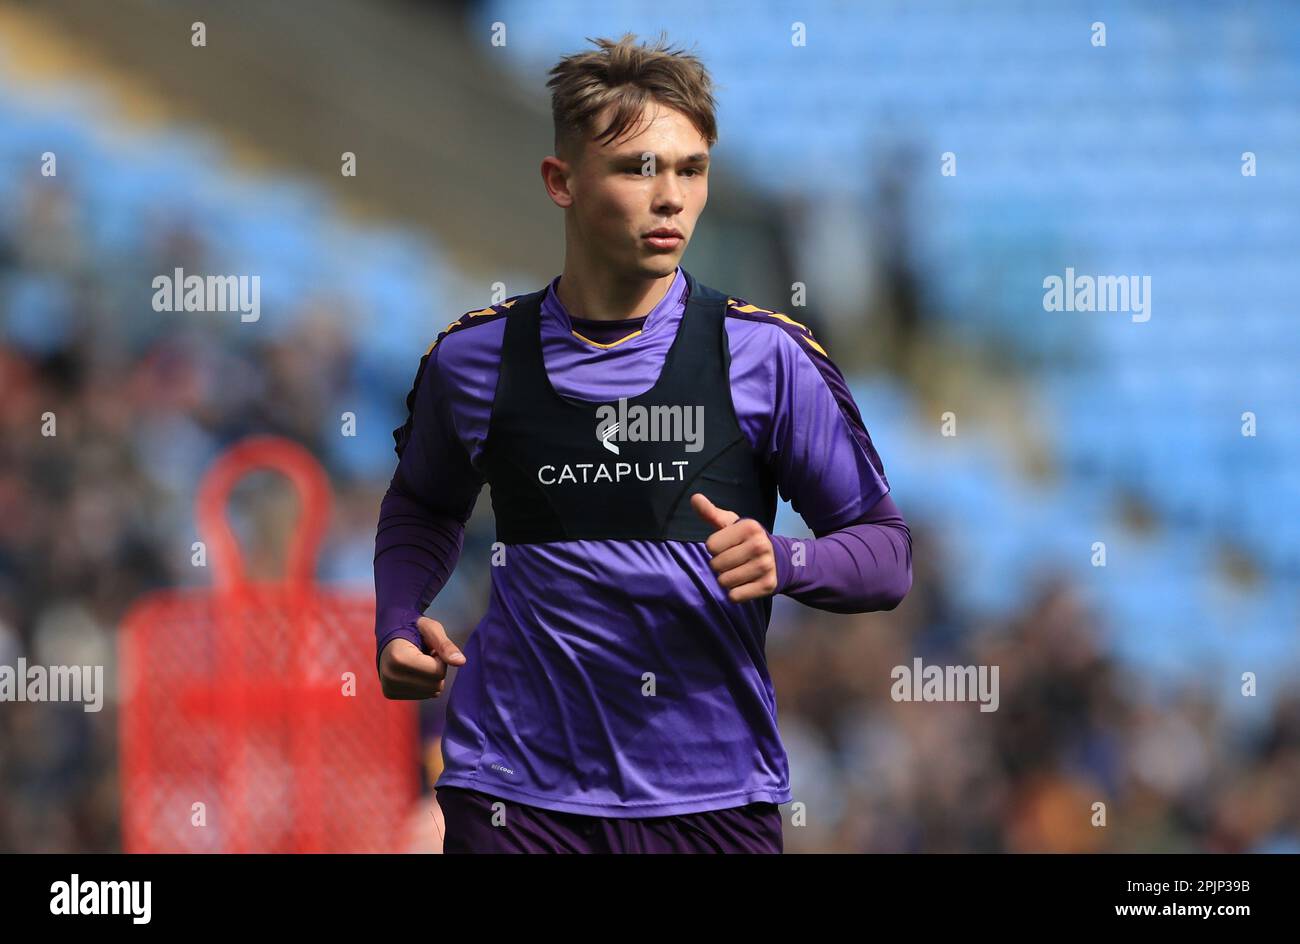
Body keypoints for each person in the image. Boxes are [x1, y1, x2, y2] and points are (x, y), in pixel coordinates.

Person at [373, 32, 912, 853]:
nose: (671, 198)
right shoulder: (473, 359)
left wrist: (787, 561)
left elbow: (885, 553)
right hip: (515, 796)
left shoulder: (765, 357)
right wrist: (396, 619)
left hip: (710, 802)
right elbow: (420, 505)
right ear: (561, 181)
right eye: (637, 168)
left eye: (690, 169)